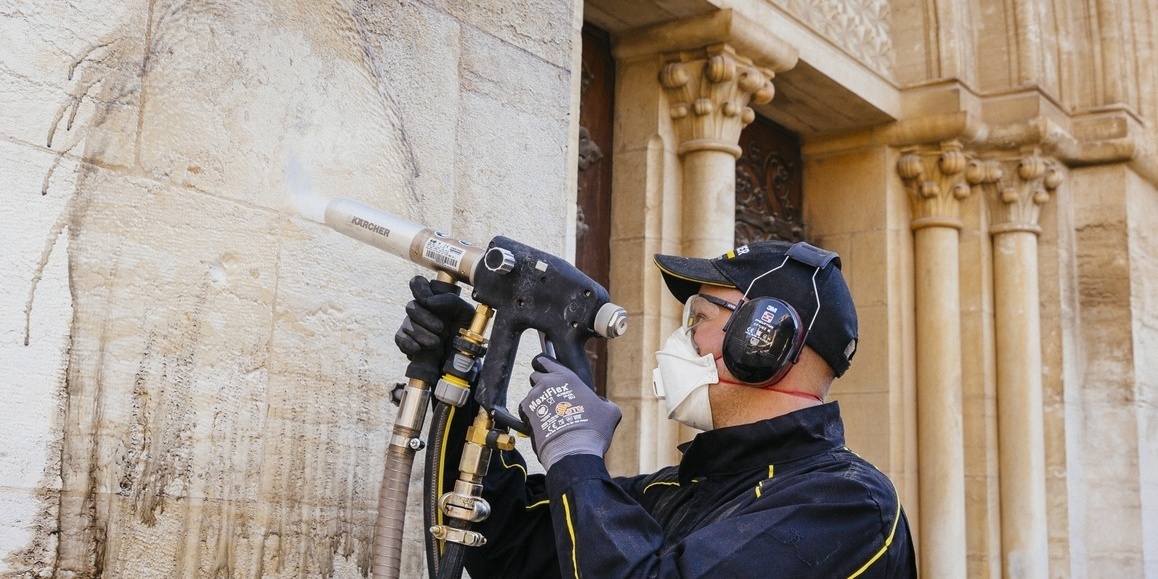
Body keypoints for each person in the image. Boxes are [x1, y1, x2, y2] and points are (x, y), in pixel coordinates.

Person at [395, 239, 917, 578]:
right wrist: (458, 377)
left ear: (763, 339)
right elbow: (507, 540)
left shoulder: (848, 507)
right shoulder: (679, 490)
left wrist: (576, 452)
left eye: (700, 318)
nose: (682, 337)